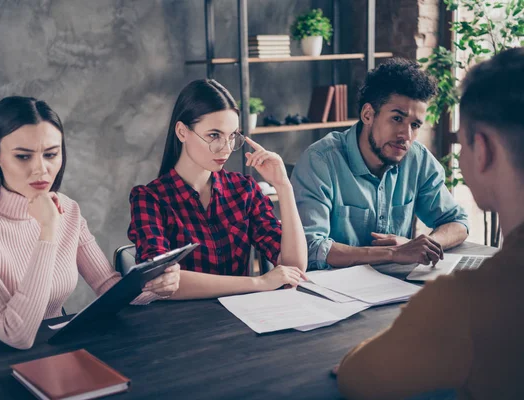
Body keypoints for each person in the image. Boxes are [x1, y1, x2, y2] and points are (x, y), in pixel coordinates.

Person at [337, 48, 524, 399]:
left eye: (462, 143)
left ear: (481, 150)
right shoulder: (322, 159)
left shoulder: (463, 303)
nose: (407, 135)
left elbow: (355, 377)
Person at [0, 96, 179, 349]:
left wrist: (155, 286)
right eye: (23, 157)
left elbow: (108, 286)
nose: (41, 169)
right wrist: (48, 230)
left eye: (51, 154)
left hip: (53, 352)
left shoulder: (69, 210)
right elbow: (15, 333)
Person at [128, 79, 308, 299]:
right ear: (182, 131)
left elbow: (294, 268)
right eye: (214, 135)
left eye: (232, 136)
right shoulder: (150, 199)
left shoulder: (244, 190)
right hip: (182, 325)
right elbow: (162, 281)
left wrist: (283, 186)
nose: (226, 148)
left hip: (244, 319)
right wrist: (258, 282)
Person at [291, 58, 469, 269]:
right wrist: (392, 253)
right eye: (397, 119)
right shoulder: (320, 161)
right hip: (333, 291)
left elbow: (458, 222)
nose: (406, 135)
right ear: (368, 115)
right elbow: (310, 248)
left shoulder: (417, 159)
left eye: (415, 125)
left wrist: (425, 246)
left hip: (396, 288)